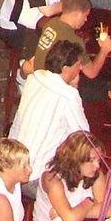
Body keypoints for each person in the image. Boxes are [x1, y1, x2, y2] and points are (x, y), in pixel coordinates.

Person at [8, 40, 90, 182]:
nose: (80, 68)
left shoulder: (34, 77)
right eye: (78, 65)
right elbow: (83, 136)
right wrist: (74, 87)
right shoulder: (68, 95)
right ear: (65, 69)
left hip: (12, 164)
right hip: (35, 176)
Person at [32, 130, 106, 221]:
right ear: (76, 159)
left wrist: (73, 211)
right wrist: (90, 201)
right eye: (92, 160)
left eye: (98, 160)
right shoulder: (52, 179)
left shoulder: (95, 173)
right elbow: (71, 219)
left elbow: (107, 210)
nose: (97, 165)